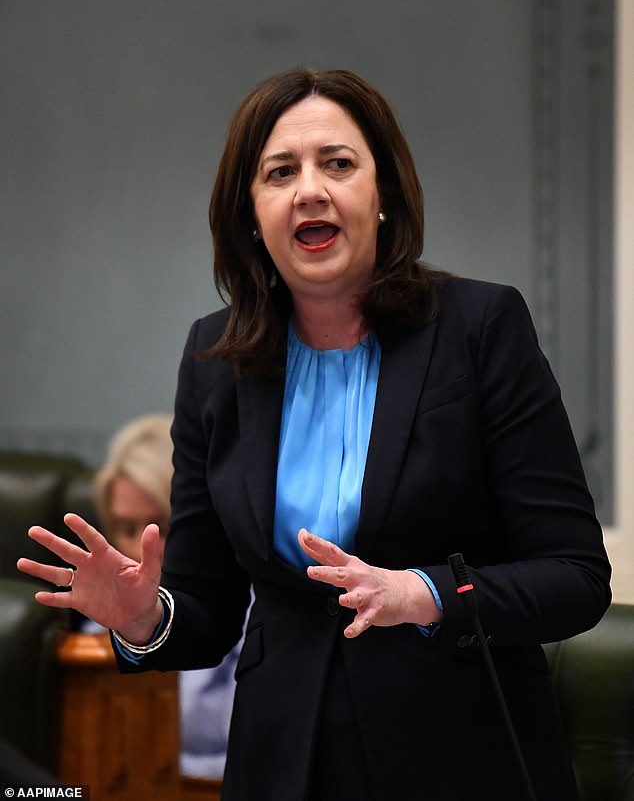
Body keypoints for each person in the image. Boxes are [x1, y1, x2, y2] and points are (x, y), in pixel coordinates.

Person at [17, 68, 611, 801]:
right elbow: (205, 608)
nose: (309, 189)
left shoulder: (479, 329)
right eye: (279, 172)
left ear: (383, 194)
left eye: (338, 163)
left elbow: (576, 576)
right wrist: (143, 616)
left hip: (460, 752)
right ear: (252, 215)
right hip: (283, 761)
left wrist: (421, 591)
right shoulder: (215, 361)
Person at [84, 413, 239, 780]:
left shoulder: (251, 615)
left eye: (162, 528)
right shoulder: (91, 632)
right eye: (125, 528)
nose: (141, 550)